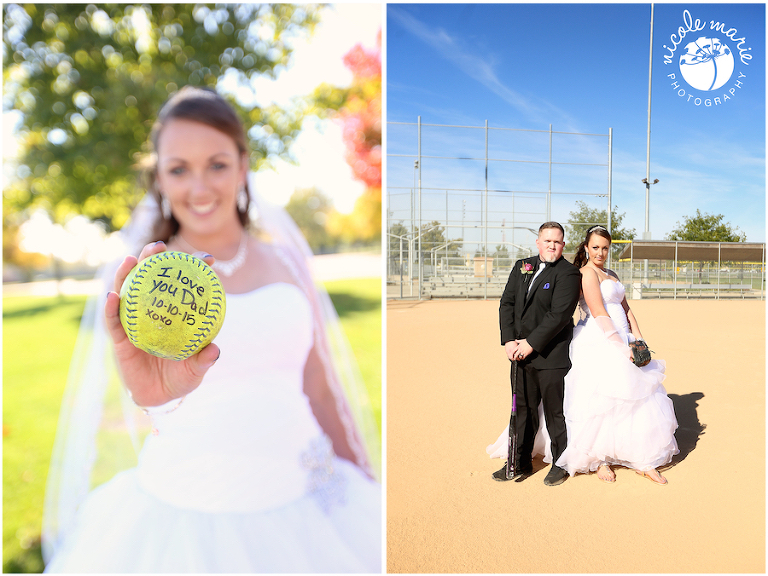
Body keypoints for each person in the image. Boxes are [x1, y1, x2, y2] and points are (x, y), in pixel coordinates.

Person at [42, 86, 381, 572]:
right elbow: (148, 402)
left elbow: (320, 387)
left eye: (217, 164)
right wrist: (159, 397)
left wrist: (365, 478)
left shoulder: (288, 262)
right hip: (185, 517)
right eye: (179, 169)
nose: (199, 188)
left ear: (244, 167)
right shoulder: (138, 280)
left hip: (312, 502)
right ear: (158, 177)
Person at [553, 225, 679, 484]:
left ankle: (641, 458)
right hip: (599, 340)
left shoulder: (611, 273)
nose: (600, 252)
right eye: (595, 247)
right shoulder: (587, 273)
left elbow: (627, 308)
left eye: (605, 248)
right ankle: (599, 458)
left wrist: (638, 338)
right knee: (601, 401)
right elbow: (599, 312)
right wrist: (620, 347)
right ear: (586, 248)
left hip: (624, 337)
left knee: (634, 397)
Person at [490, 221, 581, 486]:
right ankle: (519, 461)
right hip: (518, 353)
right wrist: (509, 341)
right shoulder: (522, 265)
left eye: (558, 242)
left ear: (563, 245)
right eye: (548, 241)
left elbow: (559, 315)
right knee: (523, 410)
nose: (553, 246)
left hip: (550, 354)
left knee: (555, 412)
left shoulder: (569, 273)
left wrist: (530, 343)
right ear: (538, 243)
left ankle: (560, 463)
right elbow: (506, 302)